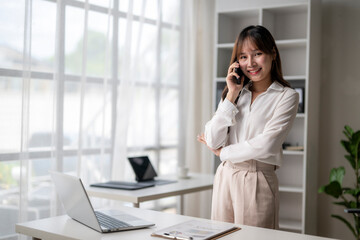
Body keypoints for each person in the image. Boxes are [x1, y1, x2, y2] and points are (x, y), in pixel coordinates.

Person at [197, 25, 299, 229]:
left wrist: (222, 152)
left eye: (257, 54)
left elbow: (266, 145)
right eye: (243, 57)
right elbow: (212, 138)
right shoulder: (235, 94)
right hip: (225, 176)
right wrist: (231, 95)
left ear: (273, 53)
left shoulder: (287, 96)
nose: (250, 63)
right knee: (220, 235)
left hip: (257, 179)